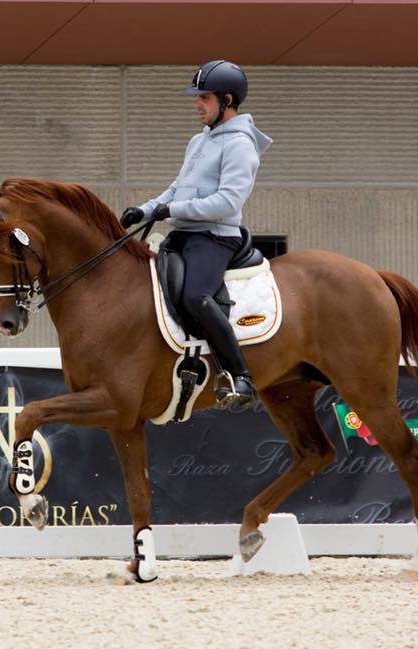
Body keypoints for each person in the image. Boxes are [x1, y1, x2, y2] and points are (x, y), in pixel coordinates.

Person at [120, 60, 272, 409]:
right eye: (197, 97)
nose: (196, 104)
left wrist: (171, 211)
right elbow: (178, 188)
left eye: (203, 97)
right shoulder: (199, 140)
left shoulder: (240, 145)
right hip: (185, 234)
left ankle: (240, 376)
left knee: (196, 297)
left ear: (227, 100)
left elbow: (226, 202)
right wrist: (144, 209)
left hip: (215, 236)